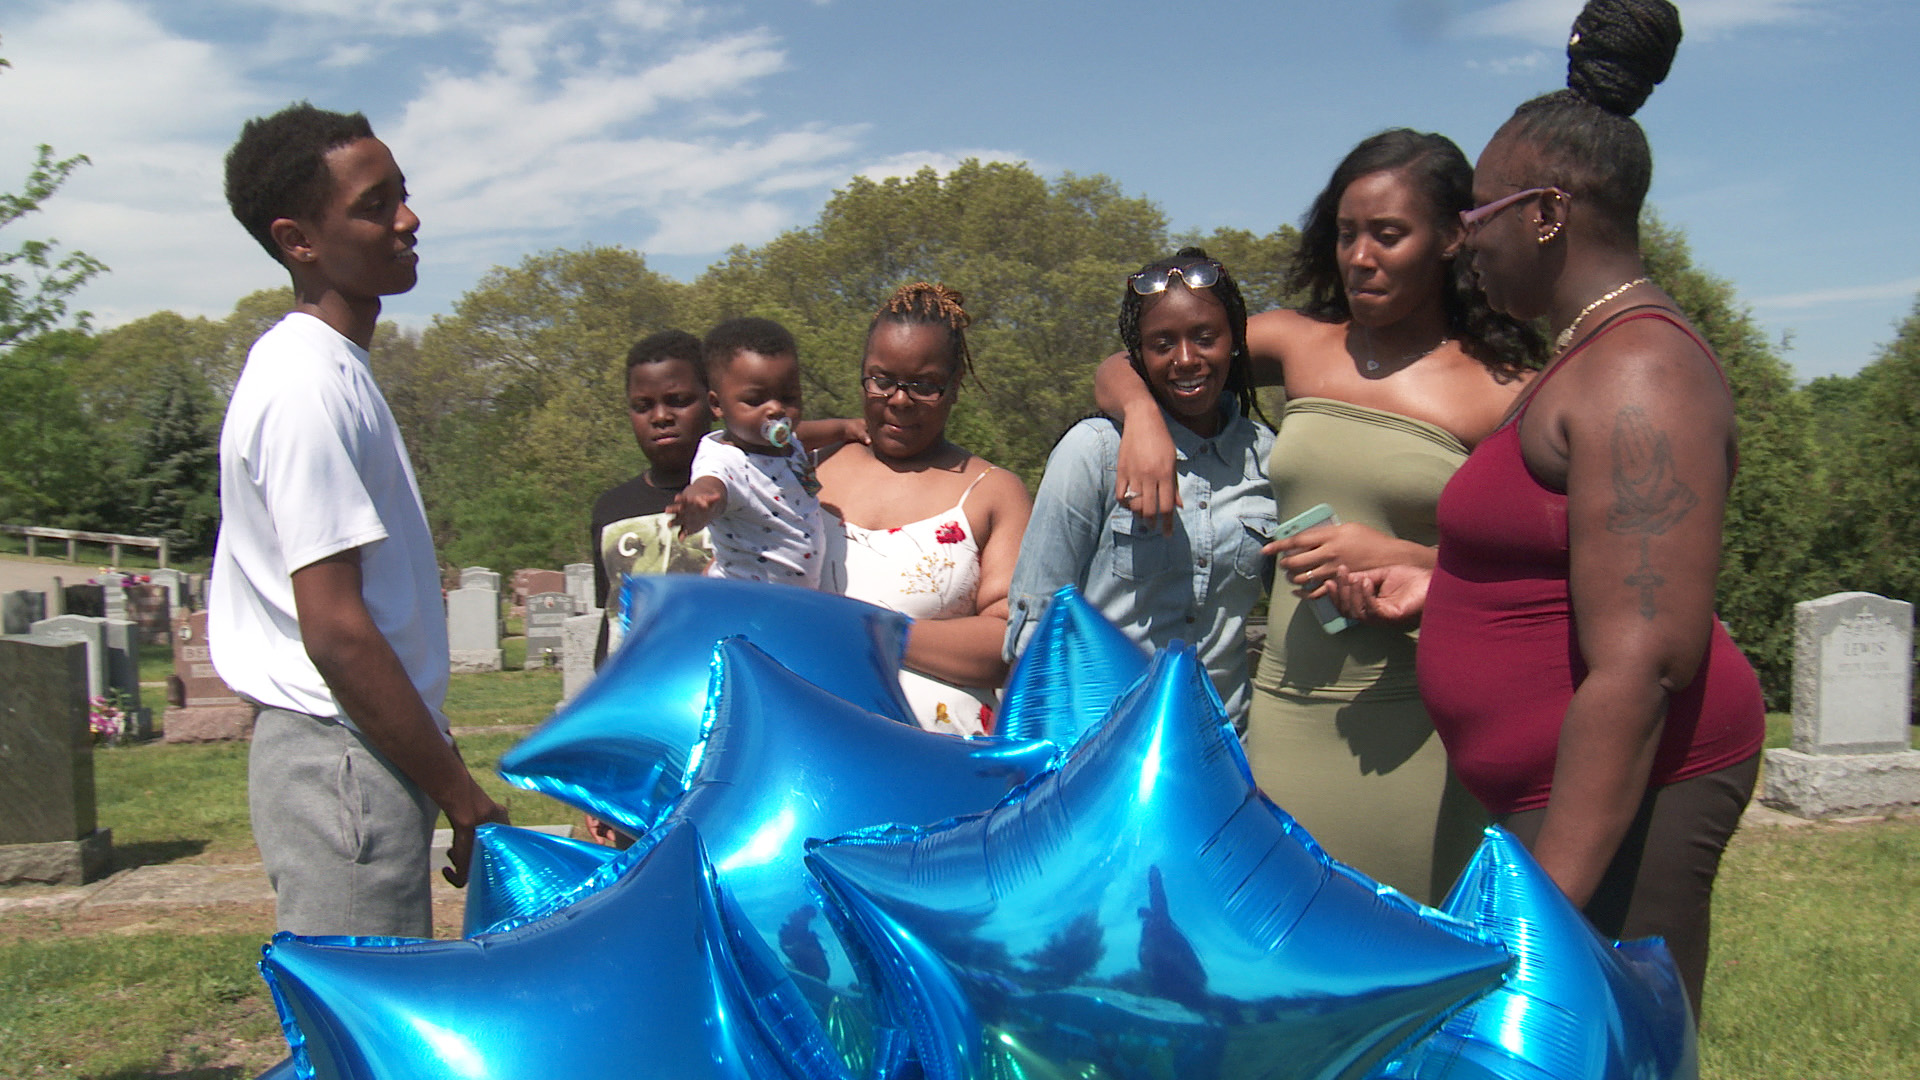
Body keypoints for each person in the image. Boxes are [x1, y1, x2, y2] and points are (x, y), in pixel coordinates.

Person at [1342, 0, 1764, 1017]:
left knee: (1598, 1042)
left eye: (1477, 215)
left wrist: (1546, 916)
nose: (1462, 243)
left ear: (1547, 213)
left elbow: (1644, 660)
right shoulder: (1588, 357)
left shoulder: (1641, 374)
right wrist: (1442, 584)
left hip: (1628, 799)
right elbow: (1570, 566)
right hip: (1554, 792)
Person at [1093, 131, 1544, 904]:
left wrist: (1411, 559)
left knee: (1413, 968)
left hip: (1417, 730)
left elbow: (1542, 569)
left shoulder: (1506, 390)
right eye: (1345, 233)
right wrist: (1140, 418)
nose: (1359, 256)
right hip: (1284, 720)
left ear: (1452, 238)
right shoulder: (1301, 343)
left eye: (1388, 235)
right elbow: (1134, 357)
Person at [213, 103, 508, 937]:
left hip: (367, 748)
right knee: (359, 1040)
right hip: (338, 758)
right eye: (375, 205)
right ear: (297, 240)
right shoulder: (303, 384)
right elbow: (337, 631)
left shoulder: (338, 370)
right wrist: (463, 797)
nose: (408, 220)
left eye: (402, 195)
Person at [1007, 249, 1275, 730]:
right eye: (1162, 343)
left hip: (1227, 749)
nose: (1186, 359)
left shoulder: (1269, 458)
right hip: (1104, 744)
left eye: (1205, 337)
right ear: (1139, 355)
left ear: (1234, 340)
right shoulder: (1094, 452)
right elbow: (1037, 620)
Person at [816, 282, 1033, 736]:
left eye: (924, 386)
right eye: (882, 380)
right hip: (808, 749)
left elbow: (1007, 643)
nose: (899, 399)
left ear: (955, 387)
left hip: (947, 770)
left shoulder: (993, 492)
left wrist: (872, 631)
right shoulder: (809, 470)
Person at [668, 318, 842, 586]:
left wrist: (847, 428)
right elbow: (711, 485)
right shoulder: (726, 460)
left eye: (788, 397)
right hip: (746, 600)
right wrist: (699, 502)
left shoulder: (785, 444)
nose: (776, 409)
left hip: (791, 599)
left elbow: (807, 433)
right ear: (717, 405)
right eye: (755, 400)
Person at [590, 329, 716, 668]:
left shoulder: (743, 496)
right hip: (632, 694)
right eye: (643, 406)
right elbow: (612, 613)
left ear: (713, 402)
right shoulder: (611, 510)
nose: (660, 417)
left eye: (678, 401)